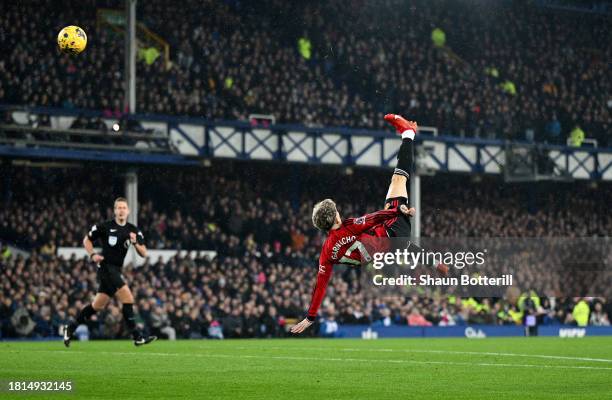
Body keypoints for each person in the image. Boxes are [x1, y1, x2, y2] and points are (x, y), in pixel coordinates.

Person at [291, 114, 445, 334]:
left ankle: (433, 261)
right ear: (335, 217)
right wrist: (398, 210)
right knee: (399, 179)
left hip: (389, 245)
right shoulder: (349, 226)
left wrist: (310, 316)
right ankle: (408, 134)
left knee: (398, 203)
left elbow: (320, 285)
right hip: (392, 229)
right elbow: (375, 217)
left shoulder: (326, 252)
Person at [63, 197, 156, 347]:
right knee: (128, 298)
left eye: (123, 208)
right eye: (118, 208)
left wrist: (135, 243)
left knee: (97, 306)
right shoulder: (105, 226)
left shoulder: (133, 230)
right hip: (106, 268)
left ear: (128, 211)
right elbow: (87, 240)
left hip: (116, 269)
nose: (121, 211)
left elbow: (144, 253)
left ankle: (70, 328)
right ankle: (137, 336)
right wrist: (92, 255)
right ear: (114, 211)